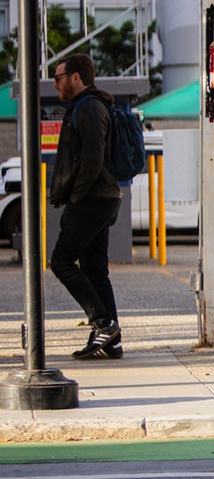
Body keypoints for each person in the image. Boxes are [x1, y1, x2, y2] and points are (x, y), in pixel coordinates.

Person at [49, 53, 123, 360]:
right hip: (99, 197)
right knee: (94, 269)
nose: (55, 84)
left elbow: (92, 159)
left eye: (58, 78)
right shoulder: (86, 106)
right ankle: (112, 341)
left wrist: (76, 197)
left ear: (75, 77)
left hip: (94, 199)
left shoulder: (90, 107)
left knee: (61, 261)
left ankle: (103, 323)